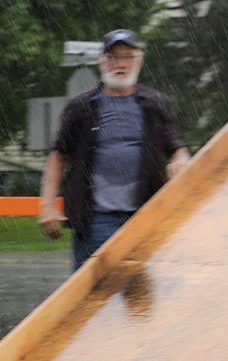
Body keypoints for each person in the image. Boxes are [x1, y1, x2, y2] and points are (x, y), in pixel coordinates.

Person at [39, 28, 189, 270]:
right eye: (113, 57)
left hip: (145, 218)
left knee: (143, 300)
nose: (120, 64)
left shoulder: (156, 104)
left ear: (139, 61)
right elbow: (58, 157)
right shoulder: (81, 107)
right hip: (95, 222)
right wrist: (47, 206)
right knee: (88, 297)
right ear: (101, 63)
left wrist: (181, 161)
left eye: (128, 57)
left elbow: (177, 148)